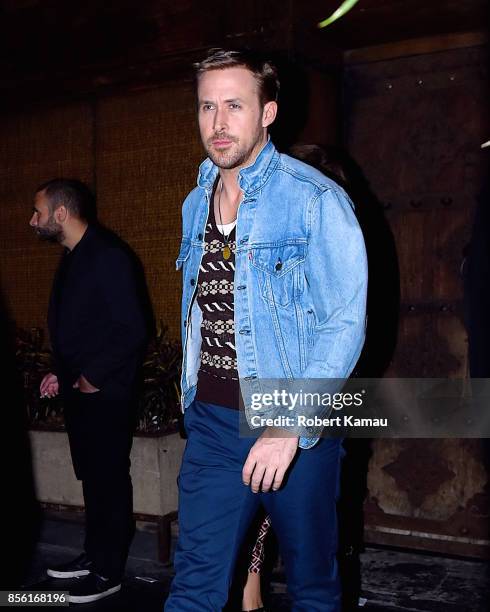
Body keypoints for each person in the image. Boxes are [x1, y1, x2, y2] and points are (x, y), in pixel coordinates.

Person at [165, 49, 368, 612]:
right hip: (211, 420)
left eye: (235, 105)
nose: (218, 123)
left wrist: (287, 425)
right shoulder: (193, 204)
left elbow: (344, 321)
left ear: (268, 112)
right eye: (207, 106)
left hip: (294, 427)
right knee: (194, 586)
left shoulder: (314, 200)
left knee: (312, 588)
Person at [29, 179, 149, 604]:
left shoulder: (108, 256)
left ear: (61, 214)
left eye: (38, 211)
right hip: (82, 390)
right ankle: (94, 556)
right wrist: (62, 375)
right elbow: (85, 329)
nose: (33, 220)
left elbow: (132, 328)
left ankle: (109, 572)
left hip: (105, 392)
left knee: (109, 481)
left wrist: (93, 377)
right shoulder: (75, 255)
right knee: (93, 480)